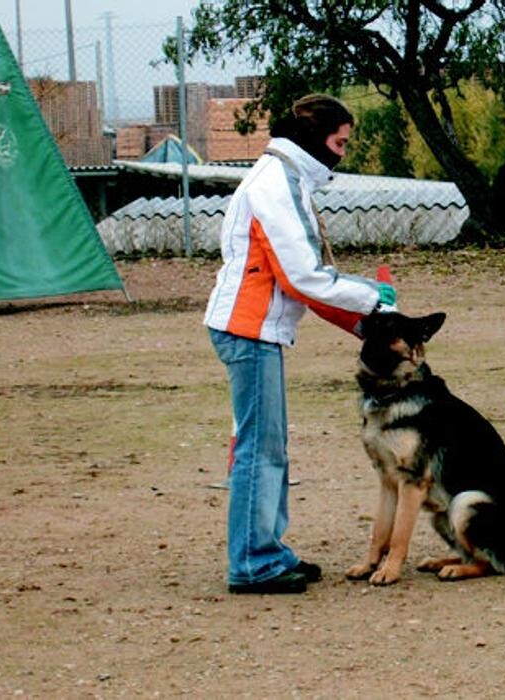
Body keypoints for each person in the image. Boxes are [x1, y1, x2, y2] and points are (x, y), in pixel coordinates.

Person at [204, 94, 397, 595]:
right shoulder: (276, 183)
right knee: (259, 449)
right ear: (316, 138)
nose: (342, 153)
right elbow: (303, 277)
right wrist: (372, 301)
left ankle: (267, 552)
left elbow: (300, 283)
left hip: (252, 328)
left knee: (268, 446)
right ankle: (252, 563)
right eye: (339, 142)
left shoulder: (282, 177)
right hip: (248, 330)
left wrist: (364, 323)